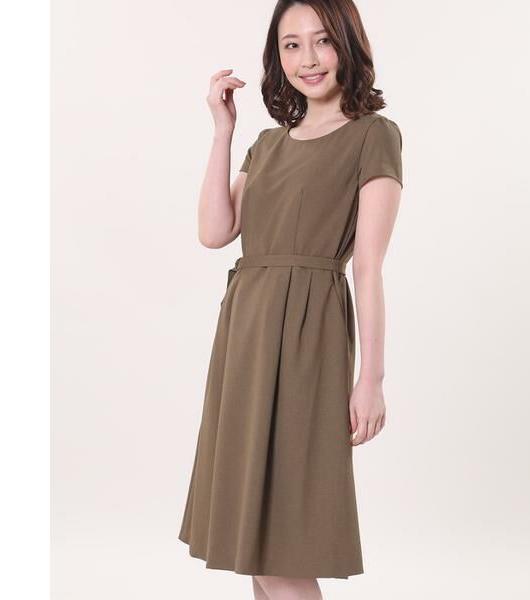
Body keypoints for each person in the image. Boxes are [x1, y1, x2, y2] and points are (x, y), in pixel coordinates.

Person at [178, 1, 403, 598]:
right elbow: (214, 232)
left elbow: (368, 266)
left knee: (282, 543)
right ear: (276, 57)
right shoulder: (267, 144)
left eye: (322, 41)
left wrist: (371, 379)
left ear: (347, 45)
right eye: (291, 45)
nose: (308, 58)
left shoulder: (373, 135)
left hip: (308, 339)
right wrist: (223, 132)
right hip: (245, 335)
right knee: (254, 542)